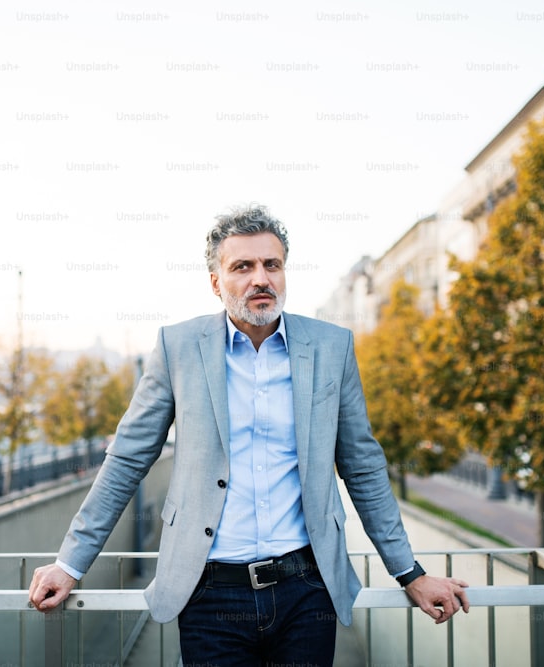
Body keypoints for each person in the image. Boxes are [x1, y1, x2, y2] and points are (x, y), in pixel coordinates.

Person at [29, 205, 470, 665]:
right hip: (208, 595)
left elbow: (362, 465)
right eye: (243, 266)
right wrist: (70, 562)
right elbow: (127, 459)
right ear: (216, 282)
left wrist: (410, 573)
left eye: (271, 265)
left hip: (306, 591)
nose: (261, 278)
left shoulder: (330, 347)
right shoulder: (177, 347)